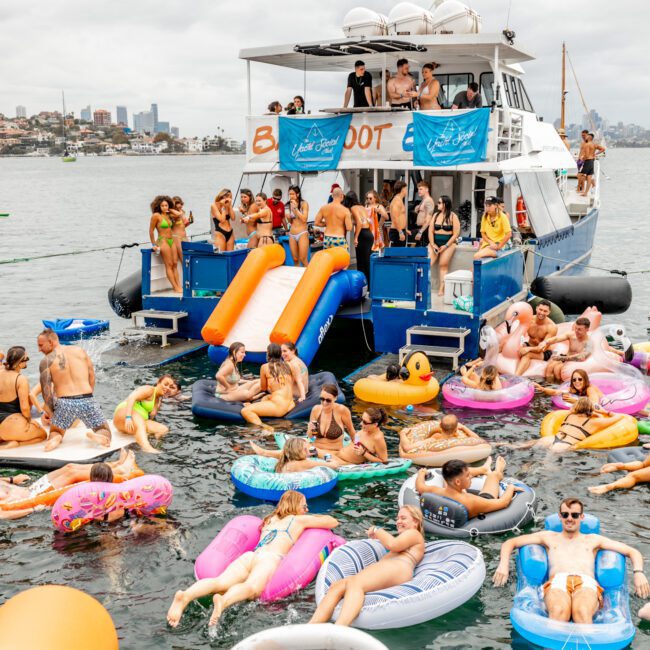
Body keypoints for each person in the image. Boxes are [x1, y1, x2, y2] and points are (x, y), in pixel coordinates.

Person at [167, 490, 339, 628]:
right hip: (270, 559)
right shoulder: (298, 520)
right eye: (304, 506)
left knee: (219, 581)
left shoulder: (269, 520)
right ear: (295, 506)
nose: (306, 509)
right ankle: (224, 601)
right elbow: (332, 522)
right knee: (252, 588)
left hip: (251, 556)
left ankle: (186, 595)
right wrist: (313, 517)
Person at [493, 497, 650, 624]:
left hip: (586, 583)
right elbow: (510, 543)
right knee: (559, 611)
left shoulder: (593, 540)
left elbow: (632, 551)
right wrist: (503, 565)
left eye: (574, 515)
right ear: (560, 516)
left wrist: (638, 573)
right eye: (565, 514)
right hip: (557, 582)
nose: (570, 518)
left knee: (581, 612)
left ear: (581, 517)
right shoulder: (548, 537)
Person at [309, 505, 425, 626]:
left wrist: (376, 530)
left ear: (415, 521)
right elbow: (393, 545)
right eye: (397, 518)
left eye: (403, 518)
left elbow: (393, 544)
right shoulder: (407, 539)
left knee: (355, 583)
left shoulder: (414, 533)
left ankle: (339, 628)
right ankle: (311, 626)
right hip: (395, 569)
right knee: (337, 586)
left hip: (399, 568)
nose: (398, 521)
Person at [0, 450, 139, 520]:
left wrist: (12, 479)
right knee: (72, 474)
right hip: (31, 498)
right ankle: (122, 471)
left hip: (31, 488)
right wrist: (33, 510)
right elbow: (3, 515)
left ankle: (117, 464)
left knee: (69, 467)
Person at [37, 329, 111, 452]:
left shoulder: (46, 361)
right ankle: (101, 437)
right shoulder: (80, 351)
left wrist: (52, 413)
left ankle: (55, 440)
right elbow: (91, 376)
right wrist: (89, 397)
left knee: (56, 431)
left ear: (50, 342)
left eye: (41, 345)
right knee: (103, 429)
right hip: (87, 398)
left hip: (65, 402)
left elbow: (46, 392)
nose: (39, 350)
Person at [250, 383, 355, 459]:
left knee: (302, 452)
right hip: (314, 448)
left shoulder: (342, 411)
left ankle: (266, 453)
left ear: (335, 398)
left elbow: (351, 431)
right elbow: (312, 437)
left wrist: (358, 449)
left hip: (333, 452)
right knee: (298, 448)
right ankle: (268, 453)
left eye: (328, 400)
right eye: (322, 399)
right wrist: (310, 431)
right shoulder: (316, 410)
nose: (324, 403)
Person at [416, 457, 522, 518]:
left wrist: (421, 473)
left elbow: (420, 487)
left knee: (450, 478)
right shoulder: (472, 501)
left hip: (455, 495)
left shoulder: (436, 491)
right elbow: (503, 503)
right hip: (482, 502)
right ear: (458, 482)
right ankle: (498, 470)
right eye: (467, 475)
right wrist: (510, 488)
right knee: (493, 476)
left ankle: (483, 469)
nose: (470, 476)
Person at [113, 375, 180, 454]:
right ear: (158, 382)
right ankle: (147, 448)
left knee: (163, 429)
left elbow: (150, 418)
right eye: (165, 384)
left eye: (170, 386)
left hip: (136, 422)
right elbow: (132, 398)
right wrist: (128, 417)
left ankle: (156, 446)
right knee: (140, 422)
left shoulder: (158, 401)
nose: (167, 388)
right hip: (124, 414)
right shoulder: (149, 390)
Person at [536, 397, 626, 453]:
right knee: (545, 466)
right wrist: (603, 412)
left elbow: (572, 409)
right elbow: (619, 417)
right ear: (590, 410)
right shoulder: (594, 422)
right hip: (564, 445)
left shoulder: (569, 415)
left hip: (549, 439)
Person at [0, 347, 46, 448]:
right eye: (26, 359)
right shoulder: (20, 379)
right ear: (20, 363)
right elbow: (25, 409)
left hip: (3, 425)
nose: (27, 361)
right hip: (11, 424)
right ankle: (15, 444)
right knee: (42, 435)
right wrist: (29, 421)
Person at [240, 344, 295, 430]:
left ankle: (265, 427)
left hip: (279, 407)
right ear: (280, 354)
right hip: (291, 403)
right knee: (266, 397)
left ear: (268, 354)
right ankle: (258, 406)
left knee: (246, 411)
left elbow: (263, 388)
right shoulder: (288, 365)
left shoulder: (265, 367)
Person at [324, 408, 388, 467]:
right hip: (338, 454)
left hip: (345, 463)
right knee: (315, 450)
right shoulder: (365, 429)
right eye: (361, 419)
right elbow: (354, 445)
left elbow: (384, 461)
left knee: (318, 457)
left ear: (375, 424)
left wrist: (364, 453)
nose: (361, 423)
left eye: (365, 422)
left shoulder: (378, 438)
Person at [425, 195, 460, 296]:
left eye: (439, 203)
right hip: (434, 243)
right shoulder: (436, 215)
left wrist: (446, 245)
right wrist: (432, 244)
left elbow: (456, 234)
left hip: (448, 244)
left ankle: (442, 288)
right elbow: (430, 231)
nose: (437, 204)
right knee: (427, 263)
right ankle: (423, 286)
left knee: (443, 264)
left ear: (445, 204)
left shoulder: (453, 216)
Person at [541, 317, 592, 382]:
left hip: (575, 361)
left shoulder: (589, 342)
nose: (576, 331)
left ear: (587, 330)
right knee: (549, 367)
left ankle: (560, 387)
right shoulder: (571, 335)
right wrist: (545, 342)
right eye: (576, 328)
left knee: (557, 369)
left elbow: (581, 357)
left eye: (579, 329)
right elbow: (557, 339)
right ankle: (549, 386)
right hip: (565, 357)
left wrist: (562, 358)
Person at [515, 300, 558, 375]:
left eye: (545, 311)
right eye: (540, 309)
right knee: (514, 348)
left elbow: (542, 348)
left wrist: (528, 349)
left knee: (527, 355)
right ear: (536, 308)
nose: (542, 313)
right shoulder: (529, 320)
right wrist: (522, 345)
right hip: (530, 344)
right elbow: (519, 334)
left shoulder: (552, 327)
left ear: (549, 312)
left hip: (544, 351)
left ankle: (515, 377)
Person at [399, 413, 480, 454]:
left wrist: (402, 433)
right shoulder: (460, 439)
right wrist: (464, 428)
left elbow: (408, 448)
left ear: (440, 426)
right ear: (456, 429)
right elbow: (477, 440)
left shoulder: (434, 439)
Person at [149, 195, 182, 293]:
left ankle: (179, 286)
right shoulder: (156, 216)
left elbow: (179, 214)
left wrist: (170, 209)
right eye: (162, 206)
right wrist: (153, 244)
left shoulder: (168, 215)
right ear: (158, 206)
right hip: (162, 241)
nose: (164, 207)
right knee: (169, 265)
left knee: (175, 264)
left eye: (166, 205)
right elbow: (151, 231)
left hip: (171, 240)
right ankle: (175, 287)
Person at [534, 369, 604, 407]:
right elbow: (556, 392)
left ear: (585, 380)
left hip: (604, 404)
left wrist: (574, 401)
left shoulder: (590, 389)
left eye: (580, 379)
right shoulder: (573, 389)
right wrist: (542, 389)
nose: (577, 382)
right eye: (574, 380)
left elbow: (595, 405)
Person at [345, 190, 373, 285]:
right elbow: (364, 221)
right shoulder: (362, 207)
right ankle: (370, 285)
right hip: (369, 234)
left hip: (362, 235)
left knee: (361, 262)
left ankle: (363, 284)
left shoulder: (353, 208)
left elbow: (360, 223)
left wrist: (356, 237)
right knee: (367, 261)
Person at [286, 185, 309, 267]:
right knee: (295, 259)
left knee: (303, 258)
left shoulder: (304, 203)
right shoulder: (288, 204)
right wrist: (288, 218)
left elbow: (304, 219)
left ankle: (309, 277)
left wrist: (296, 209)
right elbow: (291, 221)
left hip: (302, 232)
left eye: (292, 194)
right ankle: (297, 278)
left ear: (298, 194)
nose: (291, 196)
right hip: (292, 233)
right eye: (289, 194)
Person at [413, 180, 435, 247]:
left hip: (425, 230)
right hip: (421, 229)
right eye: (418, 189)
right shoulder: (423, 200)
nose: (419, 191)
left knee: (423, 251)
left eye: (421, 189)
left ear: (427, 189)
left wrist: (420, 232)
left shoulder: (428, 201)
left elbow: (428, 219)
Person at [169, 196, 192, 263]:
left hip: (184, 236)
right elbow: (178, 215)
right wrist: (170, 209)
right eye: (179, 204)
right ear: (174, 204)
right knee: (183, 258)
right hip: (176, 237)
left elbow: (182, 226)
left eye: (181, 204)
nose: (181, 206)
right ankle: (184, 273)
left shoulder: (181, 211)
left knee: (188, 256)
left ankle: (188, 272)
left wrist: (189, 222)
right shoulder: (172, 214)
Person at [388, 180, 408, 247]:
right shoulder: (397, 201)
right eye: (406, 189)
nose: (407, 191)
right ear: (402, 189)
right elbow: (395, 218)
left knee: (401, 255)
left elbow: (400, 217)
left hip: (400, 231)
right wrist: (400, 232)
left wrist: (405, 230)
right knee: (395, 255)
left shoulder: (400, 200)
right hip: (396, 232)